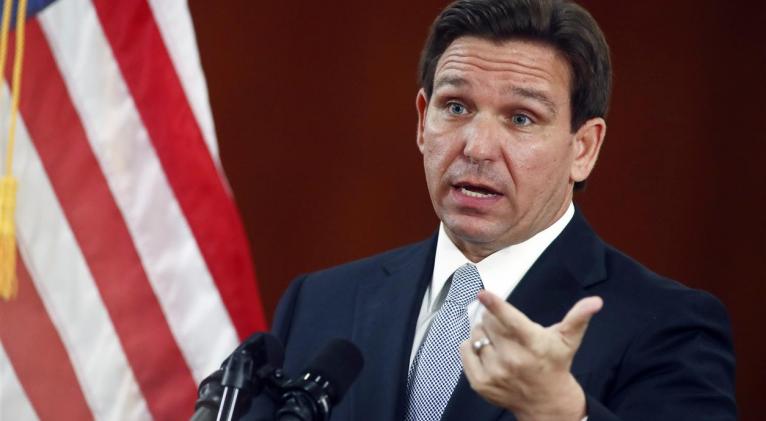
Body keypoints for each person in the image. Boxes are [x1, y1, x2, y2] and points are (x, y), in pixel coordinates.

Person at [249, 0, 737, 420]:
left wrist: (561, 412)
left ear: (583, 148)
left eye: (521, 118)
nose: (477, 147)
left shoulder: (669, 325)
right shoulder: (320, 301)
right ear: (422, 121)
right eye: (456, 107)